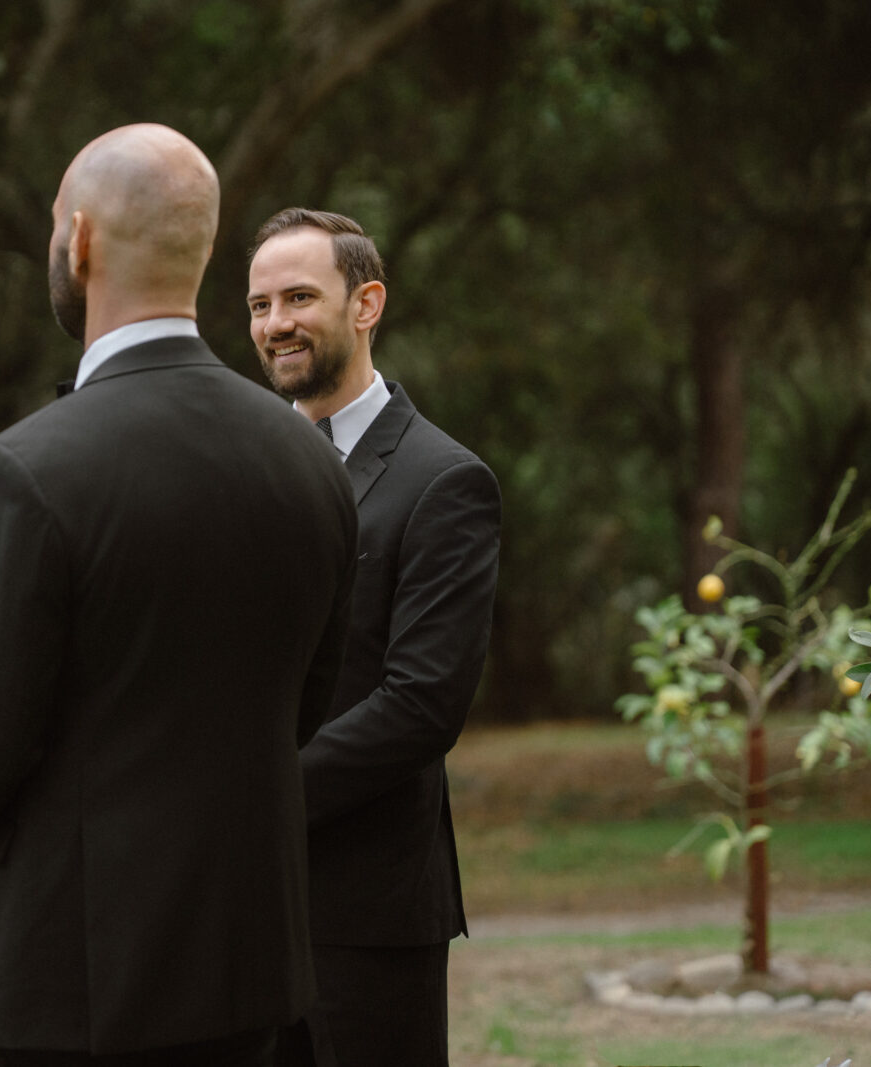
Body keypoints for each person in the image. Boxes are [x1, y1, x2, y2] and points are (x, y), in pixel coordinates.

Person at [0, 124, 358, 1066]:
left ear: (79, 240)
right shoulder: (309, 459)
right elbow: (305, 703)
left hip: (76, 979)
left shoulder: (28, 467)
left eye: (54, 224)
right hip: (248, 964)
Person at [245, 208, 501, 1066]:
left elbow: (422, 702)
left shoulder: (444, 480)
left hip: (366, 908)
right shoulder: (241, 469)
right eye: (258, 304)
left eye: (298, 297)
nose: (275, 323)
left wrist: (254, 798)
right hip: (234, 909)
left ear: (367, 304)